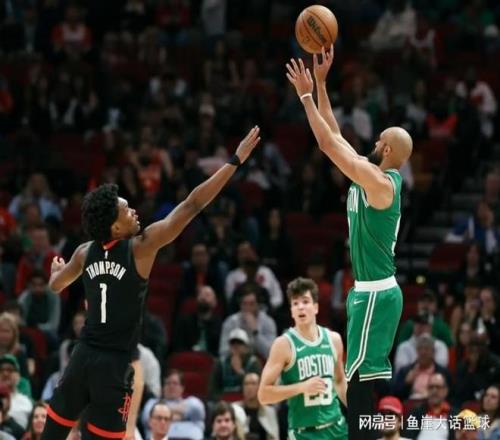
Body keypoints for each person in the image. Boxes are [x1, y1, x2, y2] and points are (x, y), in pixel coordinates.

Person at [40, 126, 261, 440]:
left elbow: (55, 286)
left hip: (82, 357)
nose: (133, 211)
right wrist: (234, 162)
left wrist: (55, 273)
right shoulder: (140, 248)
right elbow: (192, 205)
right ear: (115, 228)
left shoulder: (83, 252)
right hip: (115, 365)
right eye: (125, 210)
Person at [286, 46, 412, 439]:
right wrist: (322, 85)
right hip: (367, 291)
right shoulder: (369, 173)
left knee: (357, 381)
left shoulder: (381, 183)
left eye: (378, 140)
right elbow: (336, 135)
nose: (373, 142)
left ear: (386, 149)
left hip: (378, 293)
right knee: (355, 378)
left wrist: (305, 96)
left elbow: (327, 145)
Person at [258, 277, 348, 439]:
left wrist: (358, 409)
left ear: (316, 307)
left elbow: (340, 381)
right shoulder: (283, 344)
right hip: (304, 433)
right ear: (291, 311)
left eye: (305, 302)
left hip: (337, 429)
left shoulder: (334, 339)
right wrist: (301, 387)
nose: (300, 307)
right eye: (295, 303)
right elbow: (264, 395)